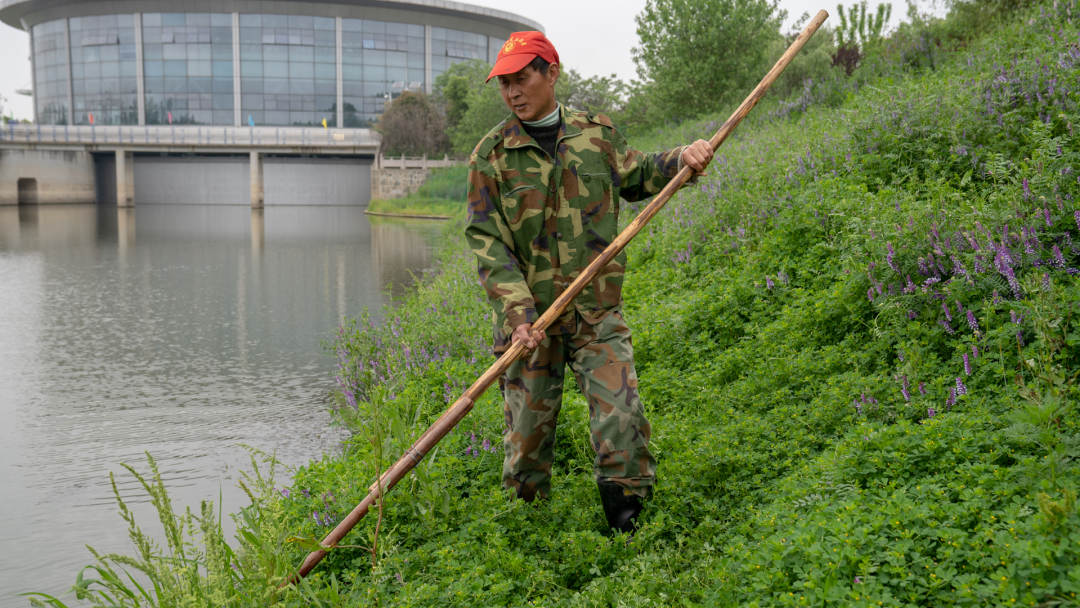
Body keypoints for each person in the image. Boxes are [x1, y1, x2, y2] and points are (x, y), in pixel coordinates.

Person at [465, 31, 713, 533]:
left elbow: (640, 173)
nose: (512, 92)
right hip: (530, 325)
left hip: (596, 312)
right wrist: (518, 317)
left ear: (550, 72)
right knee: (526, 444)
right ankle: (527, 540)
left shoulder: (595, 135)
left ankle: (629, 530)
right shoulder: (490, 156)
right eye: (504, 83)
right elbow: (487, 243)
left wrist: (682, 159)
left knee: (621, 417)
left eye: (522, 78)